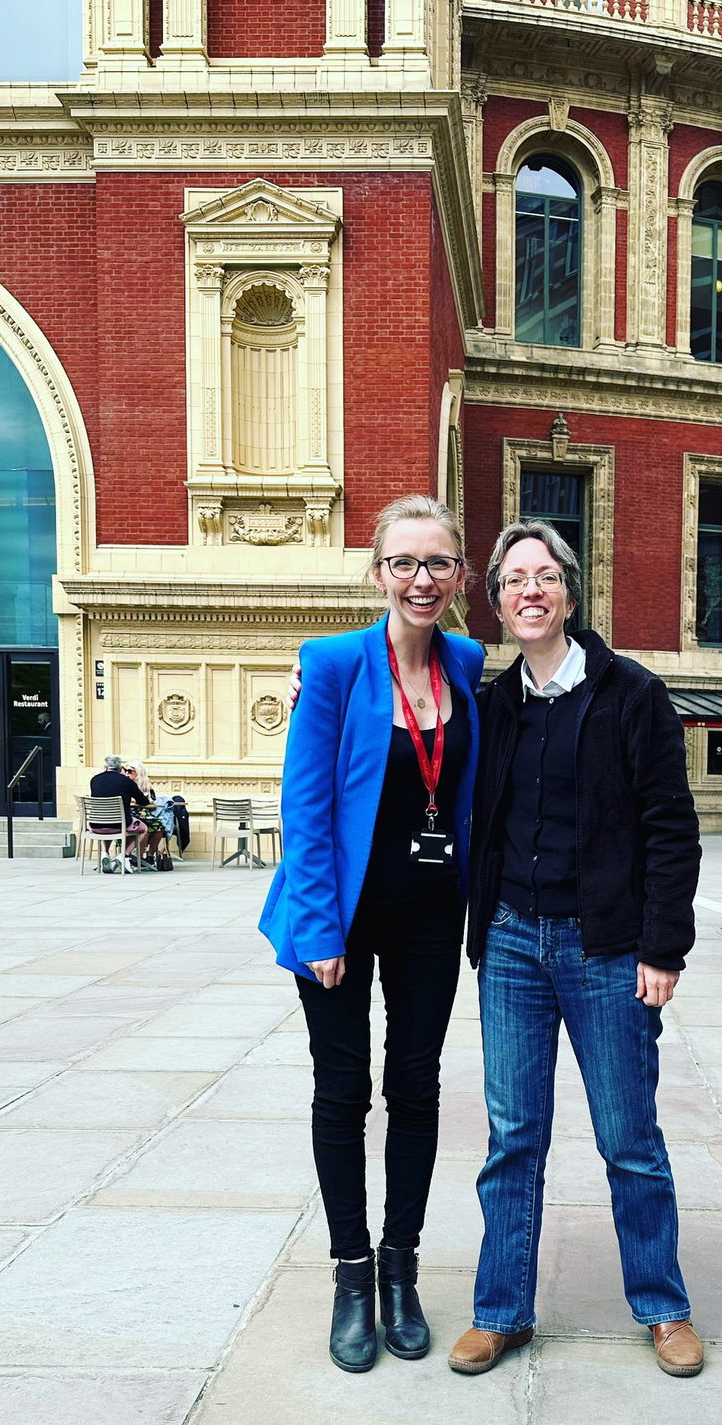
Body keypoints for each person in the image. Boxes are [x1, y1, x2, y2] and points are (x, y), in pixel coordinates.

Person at [446, 520, 704, 1381]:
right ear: (496, 599)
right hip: (514, 943)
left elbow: (672, 828)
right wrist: (314, 691)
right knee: (512, 1139)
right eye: (513, 579)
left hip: (607, 951)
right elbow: (414, 746)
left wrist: (663, 948)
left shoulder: (631, 694)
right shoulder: (492, 705)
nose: (529, 591)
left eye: (544, 576)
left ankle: (664, 1307)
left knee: (629, 1138)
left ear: (568, 591)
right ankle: (501, 1312)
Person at [261, 494, 483, 1375]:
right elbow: (305, 808)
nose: (421, 580)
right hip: (341, 920)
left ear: (460, 576)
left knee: (418, 1087)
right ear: (377, 571)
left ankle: (402, 1270)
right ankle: (351, 1276)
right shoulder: (333, 664)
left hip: (433, 912)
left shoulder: (467, 663)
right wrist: (318, 924)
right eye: (404, 563)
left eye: (437, 564)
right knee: (344, 1091)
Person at [88, 755, 149, 872]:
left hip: (96, 824)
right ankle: (124, 855)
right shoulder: (127, 782)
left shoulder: (95, 780)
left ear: (106, 766)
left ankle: (105, 853)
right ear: (120, 767)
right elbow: (144, 802)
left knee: (107, 822)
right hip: (120, 825)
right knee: (144, 829)